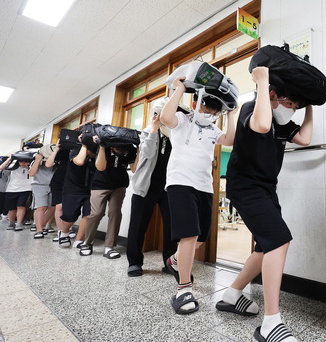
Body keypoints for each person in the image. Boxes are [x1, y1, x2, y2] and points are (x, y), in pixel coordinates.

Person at [216, 66, 313, 342]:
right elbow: (261, 125)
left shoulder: (283, 123)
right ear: (273, 96)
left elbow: (304, 138)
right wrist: (261, 82)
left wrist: (309, 107)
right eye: (290, 103)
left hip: (267, 188)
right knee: (279, 240)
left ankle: (231, 294)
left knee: (265, 247)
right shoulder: (252, 108)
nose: (291, 109)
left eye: (295, 106)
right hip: (245, 185)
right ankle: (271, 322)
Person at [160, 75, 237, 315]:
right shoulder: (183, 121)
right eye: (205, 106)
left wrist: (232, 113)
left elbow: (230, 140)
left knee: (200, 239)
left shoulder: (214, 128)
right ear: (196, 102)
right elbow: (165, 117)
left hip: (204, 187)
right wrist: (180, 89)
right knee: (189, 235)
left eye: (214, 111)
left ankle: (174, 261)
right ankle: (183, 288)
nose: (208, 112)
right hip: (180, 183)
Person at [126, 98, 176, 277]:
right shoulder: (147, 131)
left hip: (168, 187)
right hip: (145, 186)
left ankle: (170, 263)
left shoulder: (174, 133)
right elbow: (146, 154)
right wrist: (154, 130)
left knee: (171, 227)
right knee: (138, 225)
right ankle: (134, 262)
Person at [79, 139, 136, 259]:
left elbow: (134, 169)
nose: (118, 152)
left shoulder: (130, 148)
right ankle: (87, 243)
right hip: (100, 184)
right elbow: (100, 167)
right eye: (116, 149)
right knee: (96, 213)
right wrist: (102, 146)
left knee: (115, 213)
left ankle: (109, 247)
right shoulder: (104, 146)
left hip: (119, 185)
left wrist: (139, 149)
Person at [57, 136, 97, 248]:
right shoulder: (76, 149)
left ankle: (78, 240)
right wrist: (84, 144)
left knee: (88, 215)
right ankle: (64, 233)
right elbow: (79, 161)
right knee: (69, 215)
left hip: (90, 188)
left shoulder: (98, 149)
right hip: (72, 188)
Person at [45, 140, 72, 242]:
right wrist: (57, 149)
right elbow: (48, 164)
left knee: (70, 207)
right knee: (59, 206)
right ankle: (61, 231)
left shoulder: (80, 150)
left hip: (73, 182)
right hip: (58, 181)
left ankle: (67, 229)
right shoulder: (63, 151)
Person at [0, 154, 33, 231]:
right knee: (11, 208)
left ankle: (19, 223)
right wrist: (10, 158)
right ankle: (12, 223)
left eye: (25, 162)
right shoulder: (13, 166)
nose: (23, 164)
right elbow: (1, 168)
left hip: (25, 189)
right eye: (21, 162)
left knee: (21, 206)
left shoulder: (31, 167)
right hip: (11, 189)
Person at [28, 150, 55, 239]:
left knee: (52, 207)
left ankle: (41, 226)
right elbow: (31, 174)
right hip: (39, 185)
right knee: (41, 207)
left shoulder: (55, 161)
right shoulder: (35, 161)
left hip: (53, 185)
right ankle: (39, 230)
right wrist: (37, 160)